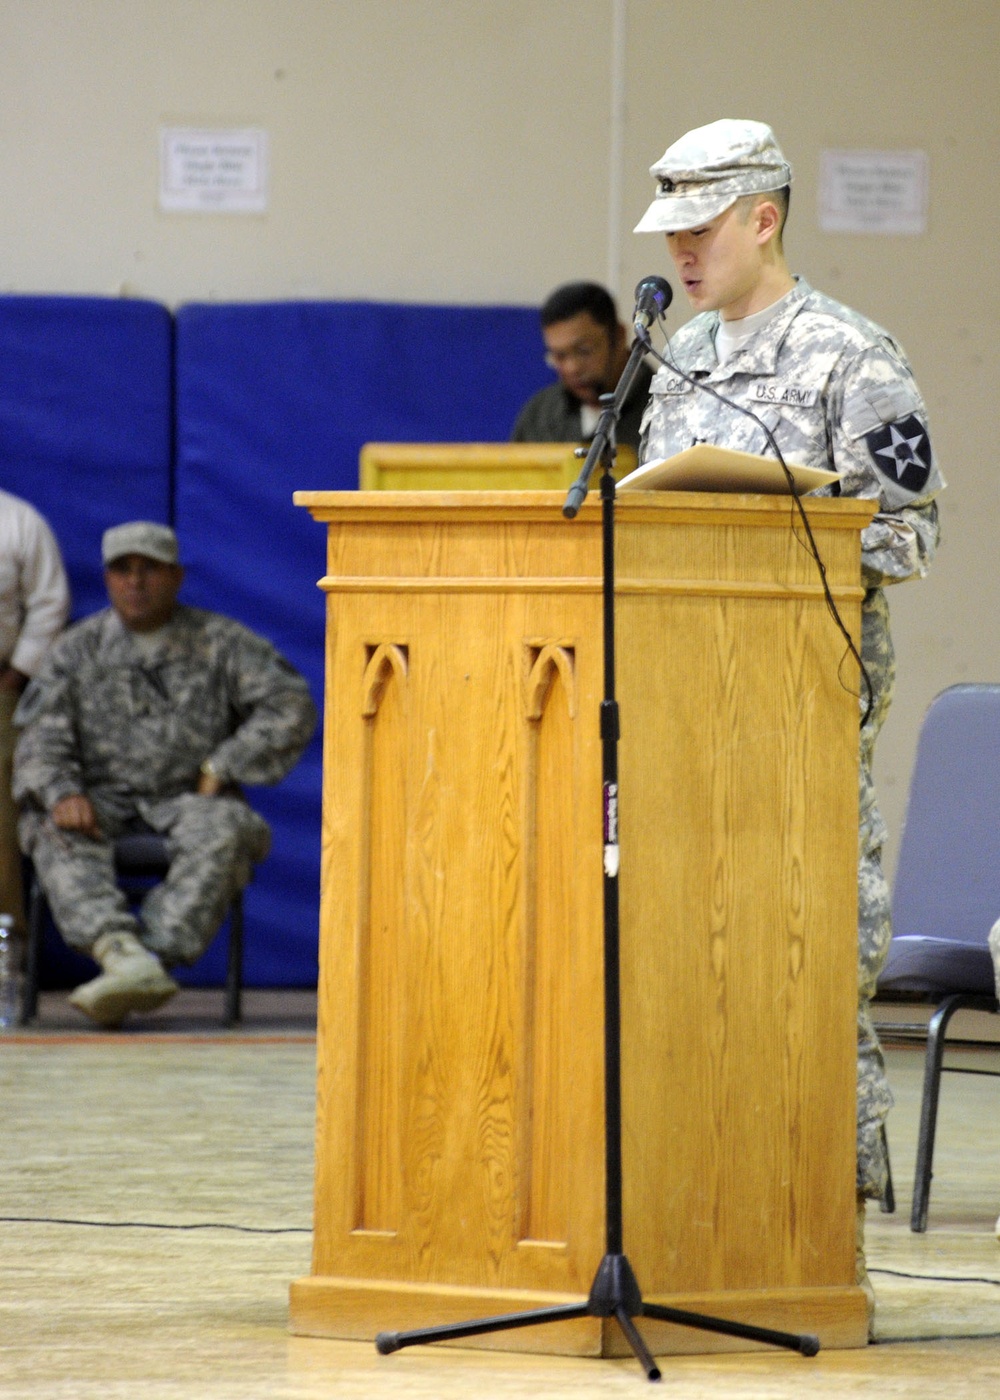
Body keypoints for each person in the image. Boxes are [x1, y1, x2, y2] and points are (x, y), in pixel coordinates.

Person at [633, 119, 944, 1318]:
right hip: (675, 713)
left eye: (699, 226)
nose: (681, 248)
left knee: (809, 968)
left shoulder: (850, 354)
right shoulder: (677, 354)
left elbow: (909, 535)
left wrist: (784, 528)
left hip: (800, 715)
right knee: (687, 972)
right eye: (670, 230)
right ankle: (698, 1219)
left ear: (763, 217)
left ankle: (823, 1238)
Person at [13, 521, 317, 1028]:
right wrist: (63, 791)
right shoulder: (75, 651)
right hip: (101, 799)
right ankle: (118, 952)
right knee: (49, 825)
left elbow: (290, 704)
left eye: (149, 570)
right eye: (123, 570)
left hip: (186, 798)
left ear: (175, 577)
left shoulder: (219, 642)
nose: (136, 582)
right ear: (108, 579)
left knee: (227, 828)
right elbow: (39, 735)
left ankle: (145, 963)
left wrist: (226, 763)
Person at [0, 489, 71, 937]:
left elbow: (49, 603)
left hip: (1, 689)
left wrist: (16, 675)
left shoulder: (19, 521)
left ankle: (5, 949)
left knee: (0, 816)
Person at [510, 281, 653, 453]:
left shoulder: (664, 406)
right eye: (559, 356)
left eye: (584, 351)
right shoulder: (539, 416)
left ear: (619, 336)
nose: (572, 368)